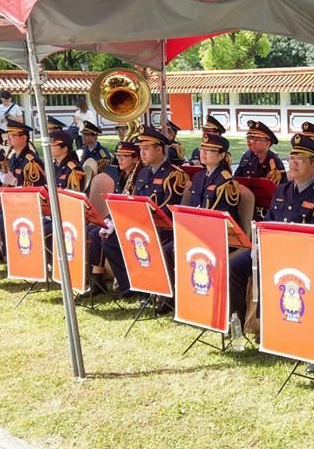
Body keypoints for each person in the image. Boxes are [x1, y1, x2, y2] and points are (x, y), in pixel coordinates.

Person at [227, 134, 314, 328]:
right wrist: (260, 245)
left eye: (300, 160)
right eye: (291, 159)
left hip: (300, 256)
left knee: (268, 267)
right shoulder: (282, 190)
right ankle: (237, 321)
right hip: (273, 249)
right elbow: (269, 220)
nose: (293, 164)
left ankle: (270, 325)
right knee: (235, 266)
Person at [157, 133, 243, 314]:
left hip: (218, 236)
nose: (203, 153)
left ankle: (203, 297)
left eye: (210, 150)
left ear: (221, 156)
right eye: (203, 149)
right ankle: (174, 296)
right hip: (197, 231)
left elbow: (222, 218)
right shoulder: (199, 177)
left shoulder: (226, 181)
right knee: (167, 249)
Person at [99, 125, 188, 297]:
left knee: (136, 239)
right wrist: (116, 221)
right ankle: (130, 286)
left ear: (159, 149)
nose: (142, 153)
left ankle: (150, 288)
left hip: (162, 228)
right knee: (109, 239)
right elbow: (132, 201)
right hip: (140, 224)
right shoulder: (143, 173)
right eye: (140, 149)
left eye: (146, 149)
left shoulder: (173, 175)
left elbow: (169, 212)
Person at [83, 141, 142, 297]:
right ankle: (96, 280)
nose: (120, 159)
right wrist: (108, 221)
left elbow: (133, 206)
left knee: (104, 238)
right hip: (118, 219)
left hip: (132, 222)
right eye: (118, 156)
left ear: (136, 159)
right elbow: (116, 203)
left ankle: (127, 284)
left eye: (125, 156)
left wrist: (114, 223)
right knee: (92, 231)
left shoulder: (138, 176)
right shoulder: (122, 175)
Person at [0, 118, 46, 257]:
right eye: (8, 136)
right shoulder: (13, 158)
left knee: (1, 219)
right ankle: (4, 254)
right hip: (15, 203)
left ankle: (11, 255)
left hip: (31, 206)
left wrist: (14, 182)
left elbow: (35, 190)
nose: (8, 139)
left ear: (24, 138)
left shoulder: (31, 161)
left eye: (12, 136)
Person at [234, 120, 284, 184]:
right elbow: (236, 178)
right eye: (249, 137)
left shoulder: (274, 161)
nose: (251, 141)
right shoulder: (246, 156)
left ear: (268, 143)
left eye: (257, 139)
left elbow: (282, 188)